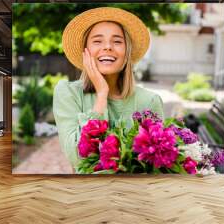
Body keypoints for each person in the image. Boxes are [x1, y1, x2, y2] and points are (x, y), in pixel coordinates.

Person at [53, 7, 164, 171]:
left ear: (127, 52)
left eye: (117, 41)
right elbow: (77, 158)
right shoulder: (68, 93)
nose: (107, 47)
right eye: (97, 41)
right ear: (86, 52)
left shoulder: (149, 101)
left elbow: (159, 164)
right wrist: (101, 94)